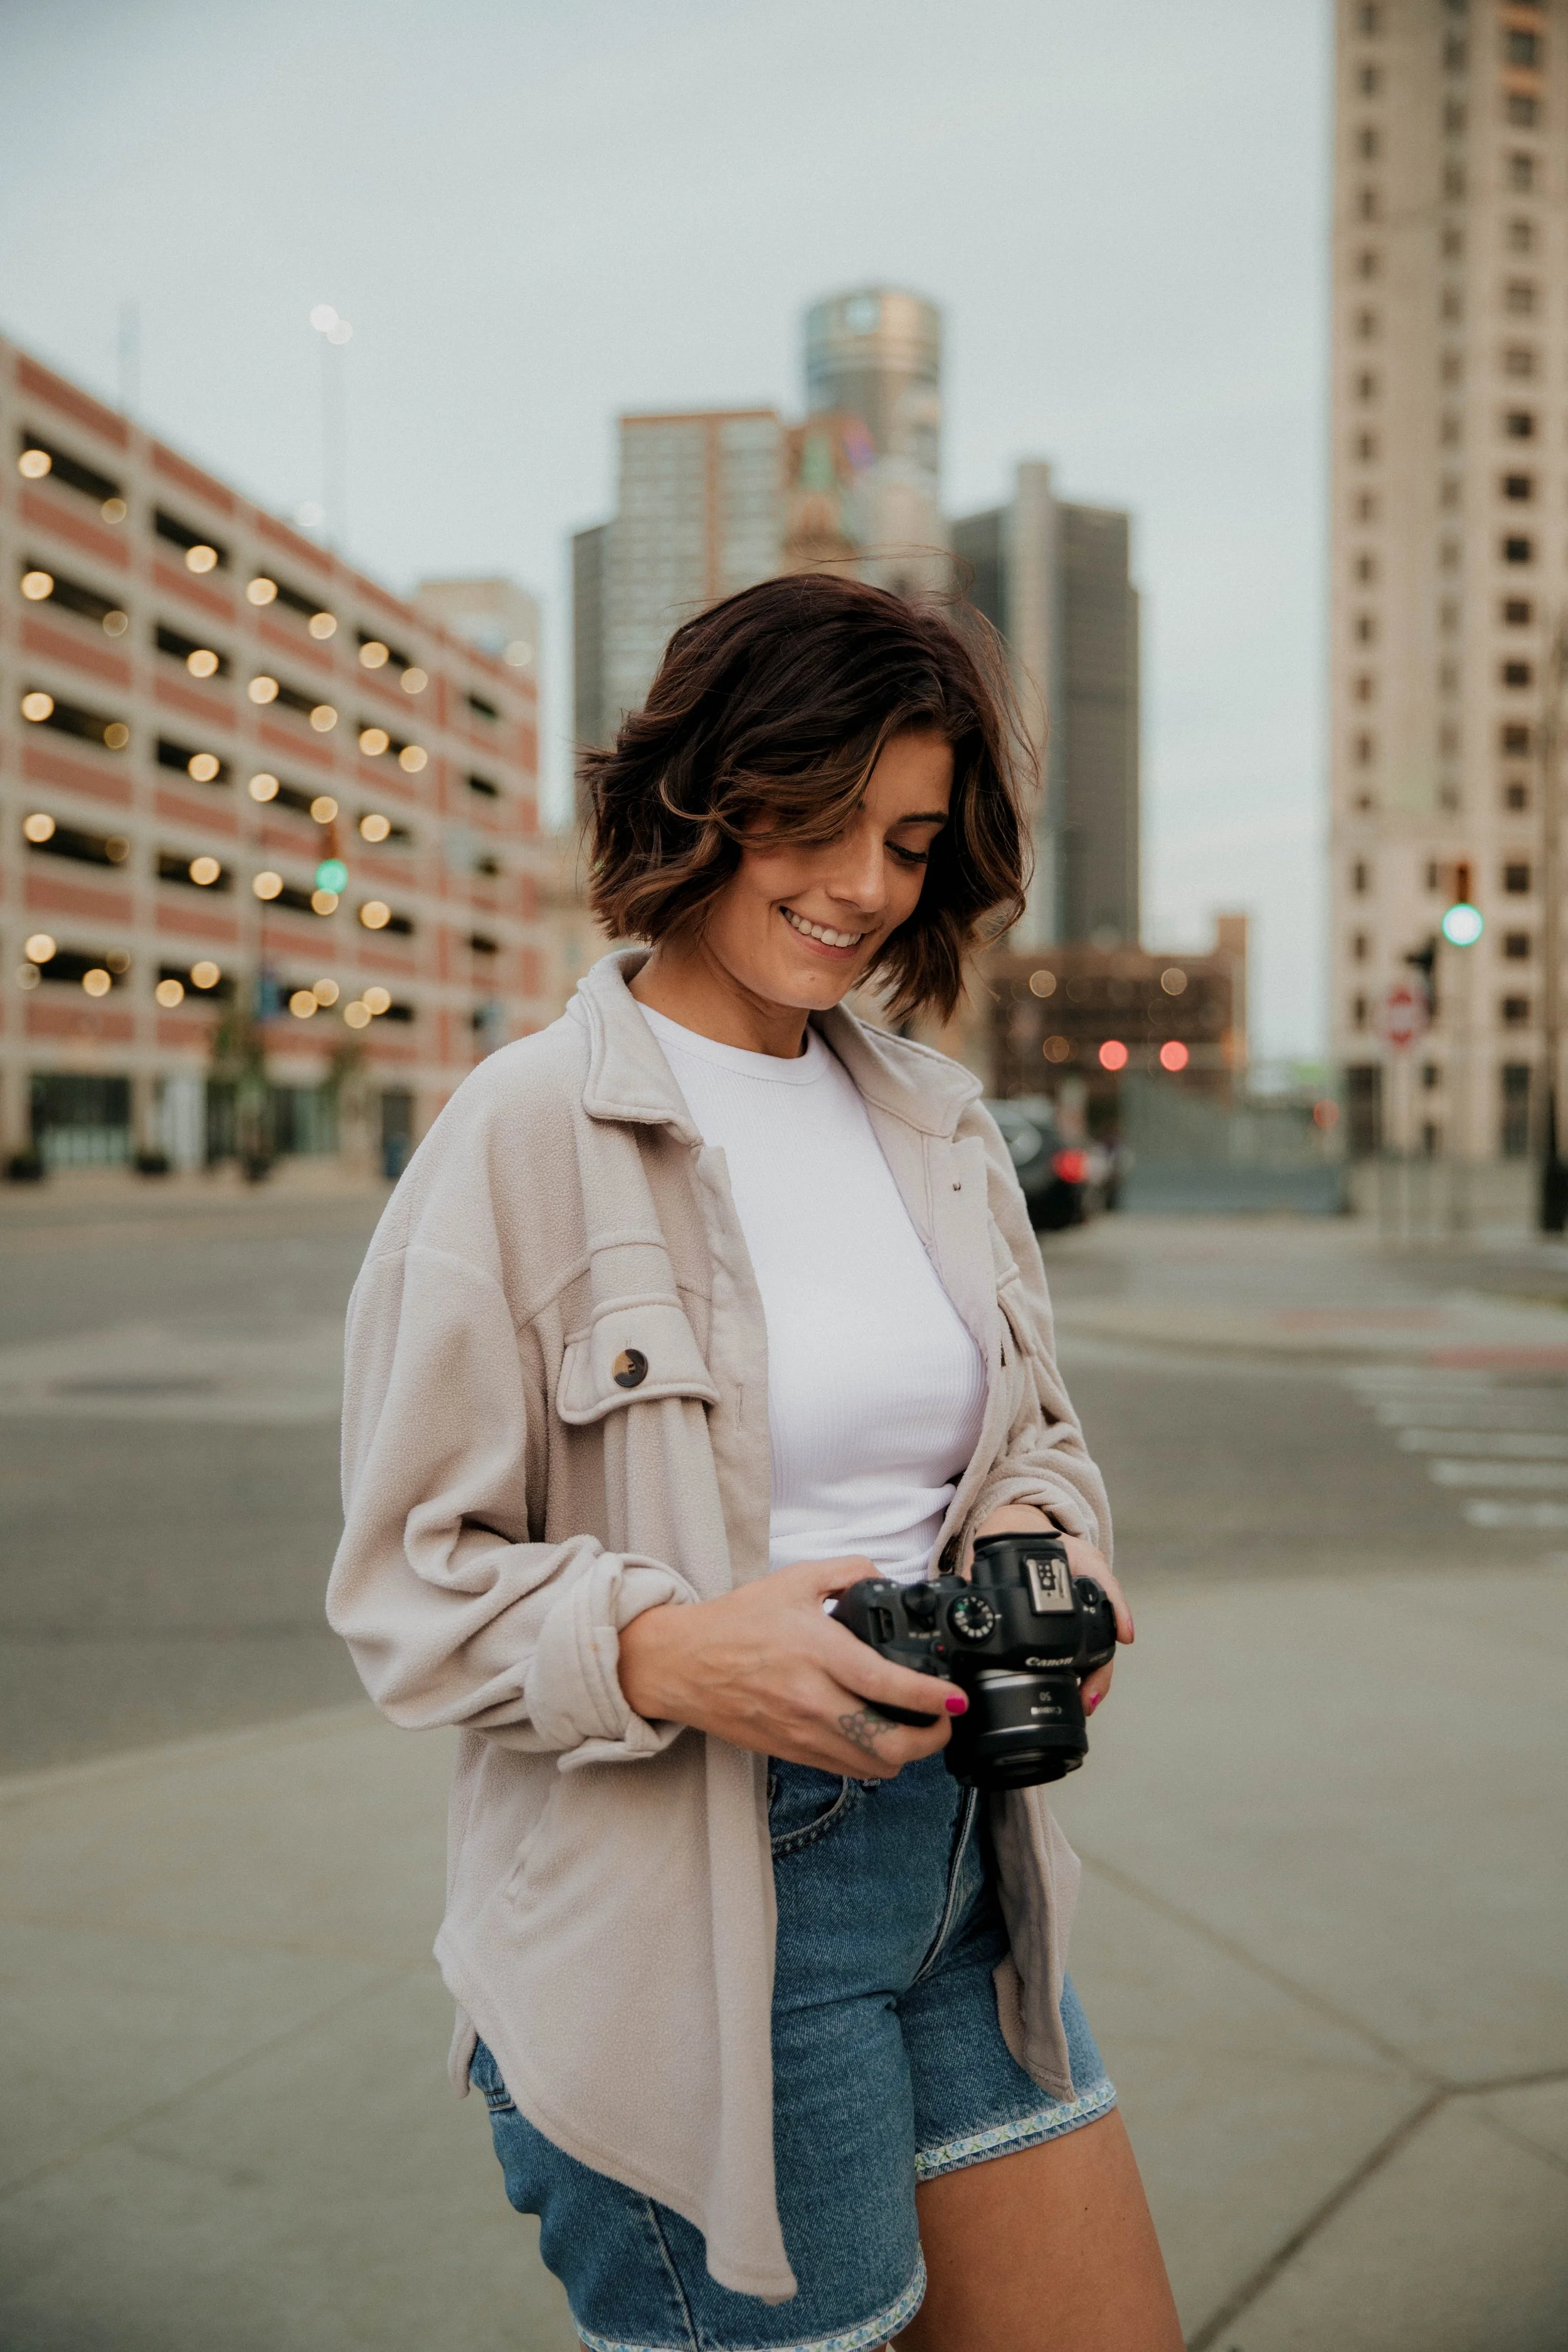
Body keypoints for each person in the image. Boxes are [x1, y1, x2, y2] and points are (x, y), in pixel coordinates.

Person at [328, 575, 1181, 2352]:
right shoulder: (525, 1131)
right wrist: (664, 1646)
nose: (862, 884)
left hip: (964, 1858)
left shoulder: (938, 1124)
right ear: (700, 792)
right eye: (814, 817)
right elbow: (408, 1579)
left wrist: (1048, 1547)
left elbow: (1031, 1440)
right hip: (695, 1908)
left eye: (908, 836)